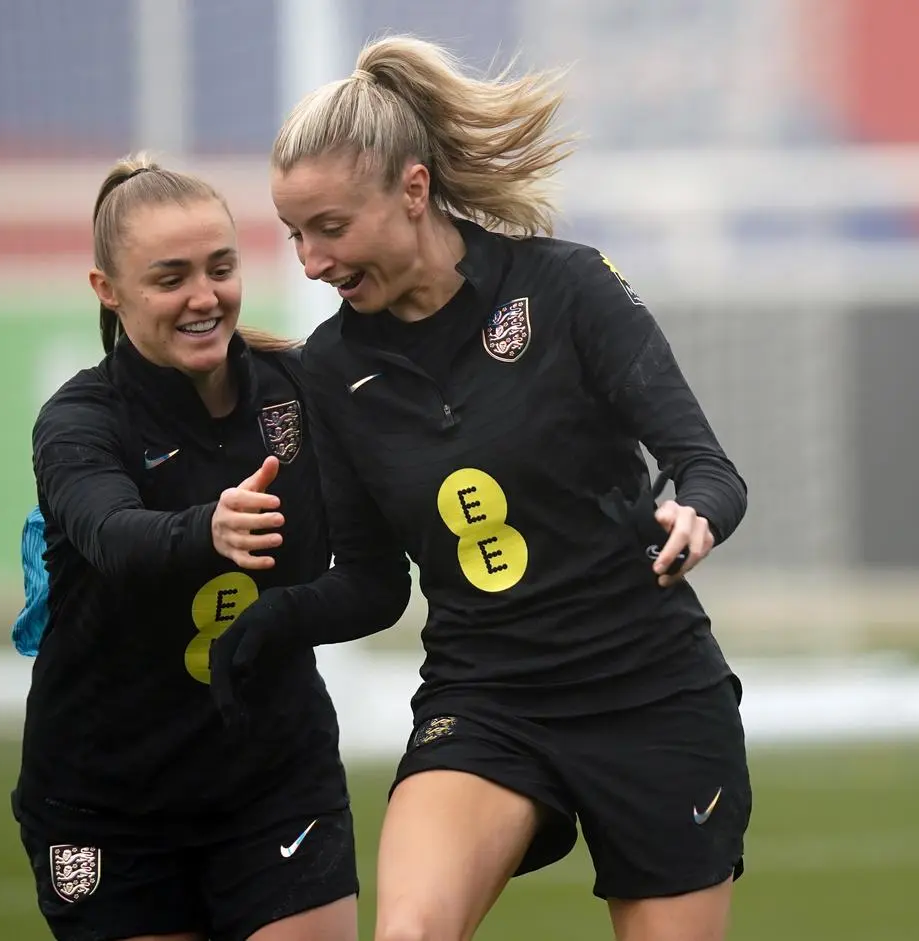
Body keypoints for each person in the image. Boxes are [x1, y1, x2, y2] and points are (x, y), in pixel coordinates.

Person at [211, 34, 752, 941]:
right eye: (294, 233)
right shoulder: (331, 370)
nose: (309, 261)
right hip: (487, 697)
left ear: (413, 191)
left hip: (649, 692)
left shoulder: (567, 288)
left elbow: (708, 468)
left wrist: (695, 511)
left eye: (331, 228)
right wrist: (272, 620)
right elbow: (376, 584)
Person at [12, 152, 411, 941]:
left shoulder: (301, 389)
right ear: (108, 290)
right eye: (171, 278)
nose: (204, 297)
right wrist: (209, 528)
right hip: (109, 800)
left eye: (220, 268)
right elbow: (112, 534)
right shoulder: (80, 421)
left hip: (276, 780)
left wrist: (283, 617)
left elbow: (376, 579)